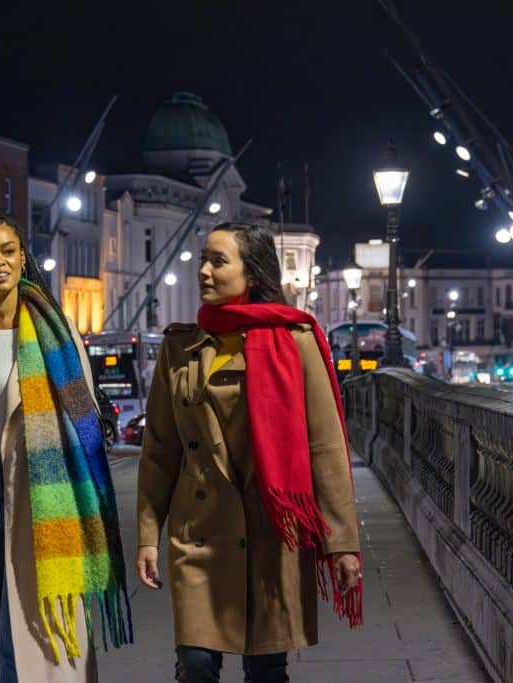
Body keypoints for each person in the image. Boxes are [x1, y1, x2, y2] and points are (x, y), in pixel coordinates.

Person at [135, 223, 362, 683]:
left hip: (273, 530)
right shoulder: (179, 349)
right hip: (196, 531)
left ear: (251, 273)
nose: (203, 271)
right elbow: (159, 450)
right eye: (203, 259)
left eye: (218, 261)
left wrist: (342, 544)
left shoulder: (294, 342)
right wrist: (146, 534)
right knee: (195, 666)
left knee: (266, 670)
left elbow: (324, 447)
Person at [0, 215, 132, 682]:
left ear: (23, 257)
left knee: (32, 632)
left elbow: (86, 428)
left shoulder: (55, 332)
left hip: (39, 486)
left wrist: (84, 507)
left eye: (9, 250)